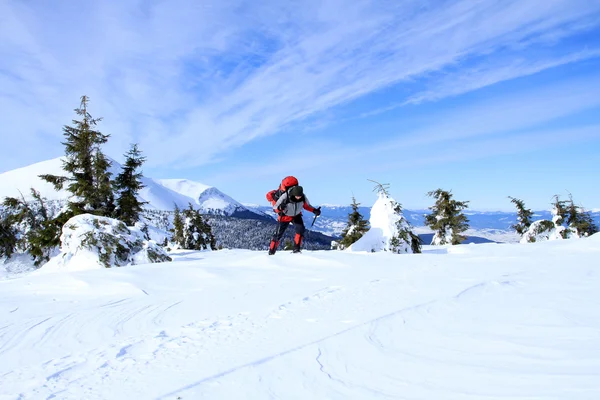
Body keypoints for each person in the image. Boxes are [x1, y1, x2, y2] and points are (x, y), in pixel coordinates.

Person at [267, 184, 320, 255]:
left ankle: (296, 249)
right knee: (277, 235)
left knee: (300, 229)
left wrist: (314, 210)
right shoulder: (285, 196)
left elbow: (306, 206)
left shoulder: (303, 197)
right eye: (297, 196)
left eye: (300, 196)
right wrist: (280, 208)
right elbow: (275, 208)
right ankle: (271, 252)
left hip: (296, 215)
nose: (298, 198)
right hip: (284, 216)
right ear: (293, 194)